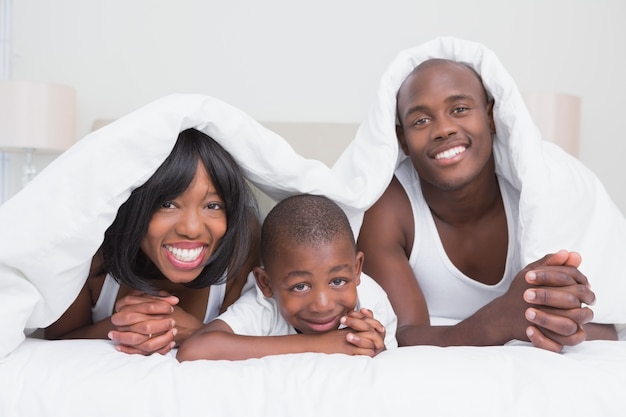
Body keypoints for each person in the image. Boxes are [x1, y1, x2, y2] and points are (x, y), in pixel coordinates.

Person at [357, 52, 620, 353]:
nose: (443, 129)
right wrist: (498, 321)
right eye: (421, 120)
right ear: (402, 140)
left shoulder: (548, 189)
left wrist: (560, 315)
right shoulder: (387, 208)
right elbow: (399, 338)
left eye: (459, 108)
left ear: (492, 117)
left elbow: (605, 327)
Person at [44, 128, 260, 355]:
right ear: (133, 205)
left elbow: (246, 344)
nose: (192, 229)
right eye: (168, 204)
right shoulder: (91, 248)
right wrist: (121, 326)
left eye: (212, 206)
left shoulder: (241, 240)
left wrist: (193, 332)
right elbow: (56, 339)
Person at [176, 194, 397, 361]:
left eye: (337, 281)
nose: (322, 304)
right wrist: (321, 344)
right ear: (265, 283)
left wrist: (377, 350)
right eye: (300, 286)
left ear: (356, 269)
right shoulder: (264, 307)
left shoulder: (370, 303)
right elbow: (195, 349)